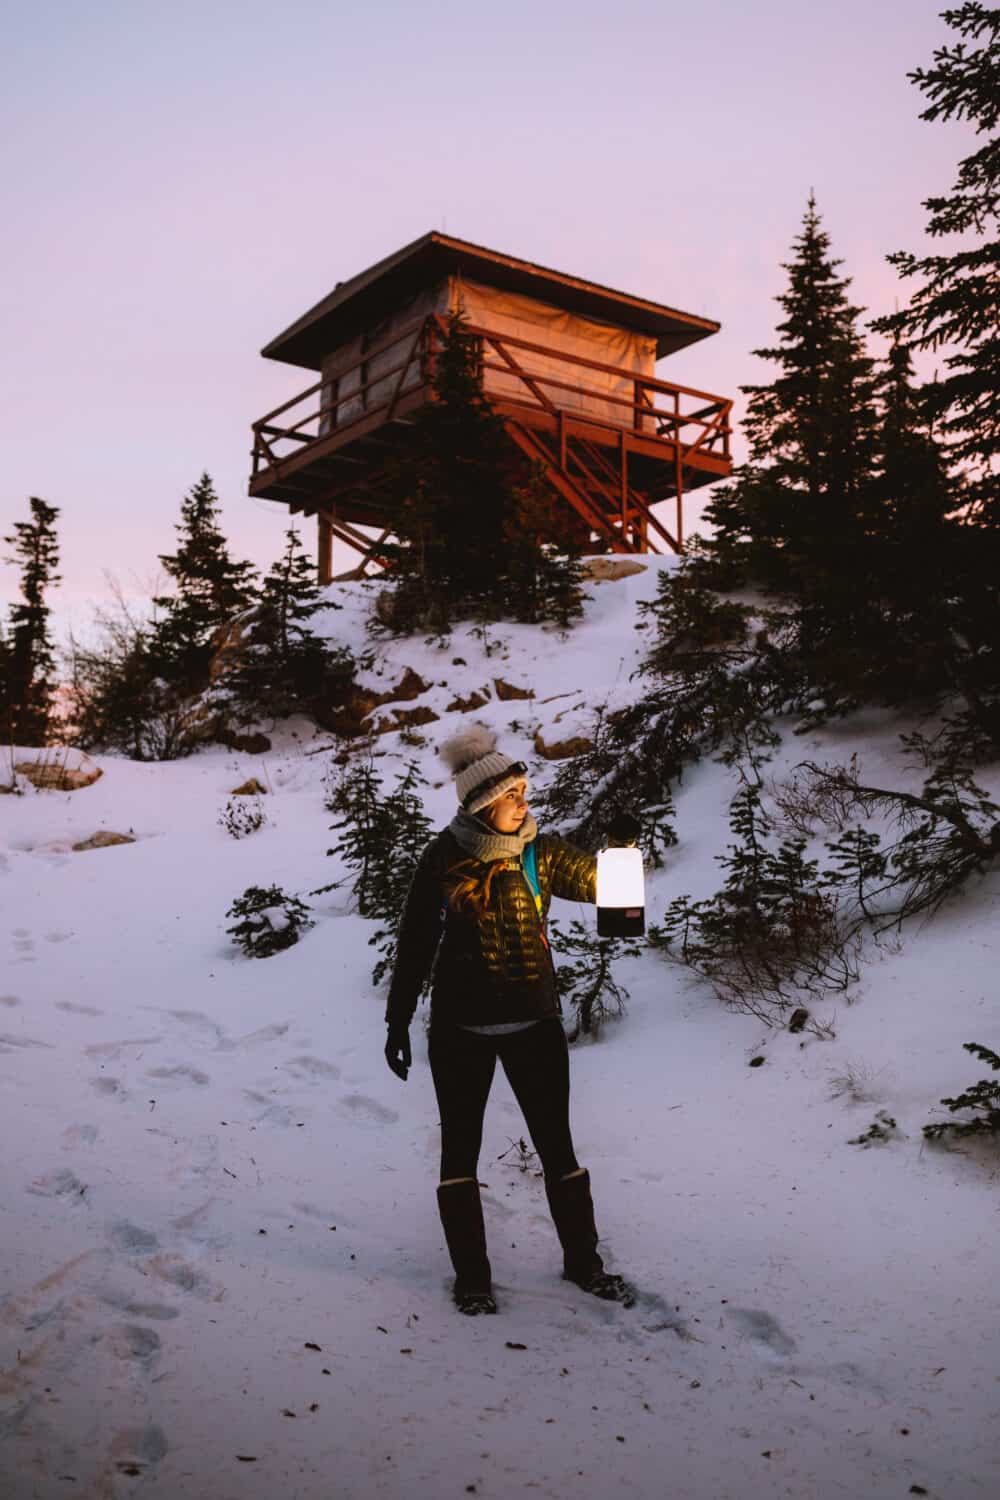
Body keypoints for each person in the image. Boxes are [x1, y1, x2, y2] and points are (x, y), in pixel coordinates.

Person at [384, 725, 634, 1316]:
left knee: (558, 1147)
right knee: (459, 1152)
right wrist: (397, 1022)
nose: (525, 802)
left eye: (524, 790)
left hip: (533, 1023)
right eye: (514, 794)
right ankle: (472, 1278)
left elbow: (605, 890)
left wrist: (622, 855)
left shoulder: (539, 851)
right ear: (482, 804)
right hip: (458, 1031)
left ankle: (584, 1264)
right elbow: (416, 941)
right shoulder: (442, 857)